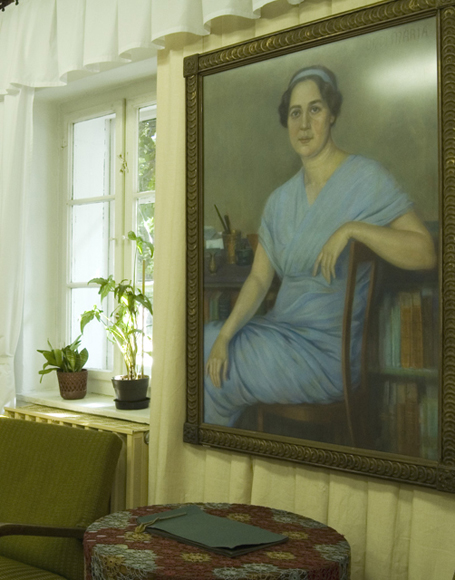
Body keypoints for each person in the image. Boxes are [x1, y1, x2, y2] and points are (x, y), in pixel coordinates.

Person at [204, 65, 436, 427]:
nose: (304, 124)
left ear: (332, 114)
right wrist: (225, 335)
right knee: (207, 341)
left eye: (314, 109)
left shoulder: (366, 178)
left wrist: (353, 229)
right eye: (295, 113)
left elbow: (425, 253)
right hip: (281, 335)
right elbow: (259, 280)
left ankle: (214, 445)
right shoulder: (279, 201)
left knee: (219, 364)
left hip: (327, 358)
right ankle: (216, 444)